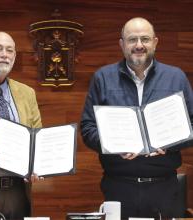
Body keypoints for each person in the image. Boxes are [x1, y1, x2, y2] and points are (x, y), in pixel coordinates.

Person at [80, 17, 193, 218]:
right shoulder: (103, 77)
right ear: (122, 44)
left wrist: (170, 144)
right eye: (132, 40)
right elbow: (88, 128)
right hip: (118, 187)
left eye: (145, 39)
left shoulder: (176, 77)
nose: (139, 45)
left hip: (164, 189)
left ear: (155, 42)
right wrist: (114, 145)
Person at [0, 32, 42, 220]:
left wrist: (38, 164)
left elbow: (38, 139)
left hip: (18, 193)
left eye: (10, 50)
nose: (4, 54)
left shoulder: (27, 94)